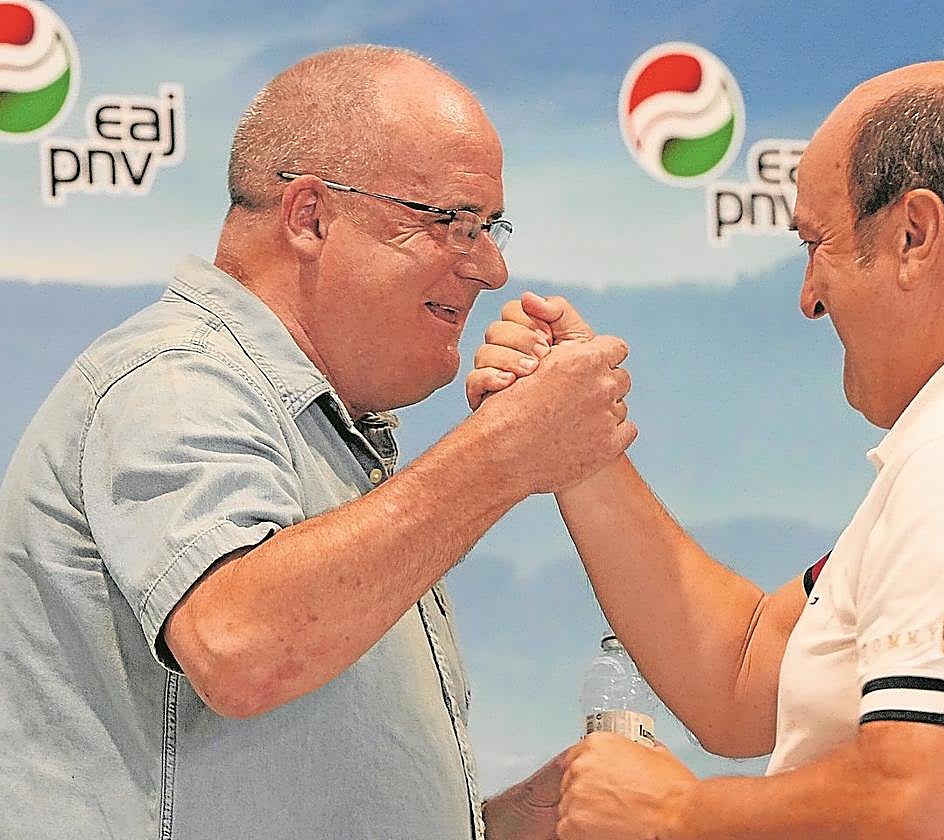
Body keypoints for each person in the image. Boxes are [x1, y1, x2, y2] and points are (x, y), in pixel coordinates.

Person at [467, 60, 944, 838]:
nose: (808, 296)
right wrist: (579, 440)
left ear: (914, 235)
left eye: (817, 243)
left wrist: (671, 813)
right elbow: (745, 674)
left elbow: (922, 807)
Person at [0, 46, 634, 839]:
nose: (492, 268)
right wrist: (505, 453)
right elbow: (240, 647)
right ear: (310, 217)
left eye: (492, 227)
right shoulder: (176, 378)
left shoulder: (324, 431)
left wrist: (507, 826)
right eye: (454, 222)